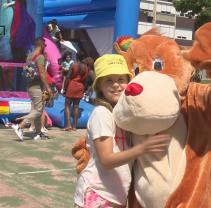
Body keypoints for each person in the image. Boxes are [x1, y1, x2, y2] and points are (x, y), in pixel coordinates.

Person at [73, 54, 170, 208]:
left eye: (120, 79)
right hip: (98, 194)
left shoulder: (124, 116)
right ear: (99, 86)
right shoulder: (102, 114)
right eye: (109, 80)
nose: (116, 85)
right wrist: (142, 149)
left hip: (116, 196)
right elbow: (106, 160)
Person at [12, 37, 52, 141]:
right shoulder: (40, 57)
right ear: (42, 45)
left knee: (39, 109)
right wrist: (48, 87)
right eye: (45, 45)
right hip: (36, 87)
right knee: (39, 110)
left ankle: (39, 133)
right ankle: (20, 126)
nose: (45, 47)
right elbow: (42, 73)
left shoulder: (30, 56)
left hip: (30, 85)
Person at [61, 51, 88, 131]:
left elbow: (68, 77)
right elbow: (86, 80)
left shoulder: (73, 64)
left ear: (76, 57)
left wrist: (64, 88)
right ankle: (74, 127)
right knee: (76, 106)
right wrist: (83, 89)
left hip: (72, 85)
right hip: (80, 86)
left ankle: (68, 124)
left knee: (67, 105)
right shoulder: (85, 67)